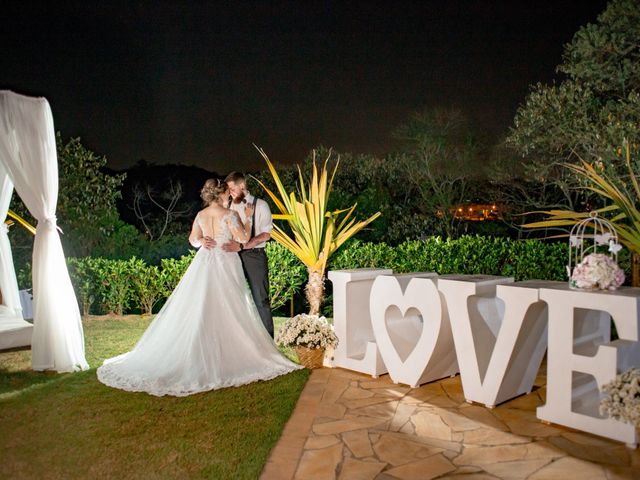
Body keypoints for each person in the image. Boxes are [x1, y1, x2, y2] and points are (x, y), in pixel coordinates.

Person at [96, 179, 300, 396]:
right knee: (229, 305)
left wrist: (203, 241)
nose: (230, 196)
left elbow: (193, 239)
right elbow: (242, 238)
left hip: (205, 261)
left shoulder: (201, 215)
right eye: (228, 193)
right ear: (223, 194)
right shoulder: (229, 215)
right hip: (226, 262)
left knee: (203, 304)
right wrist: (248, 218)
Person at [223, 172, 275, 337]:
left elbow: (266, 234)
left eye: (232, 189)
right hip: (232, 257)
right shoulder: (228, 206)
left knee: (261, 300)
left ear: (242, 186)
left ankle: (268, 341)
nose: (230, 192)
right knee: (233, 300)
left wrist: (243, 246)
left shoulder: (261, 205)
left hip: (254, 257)